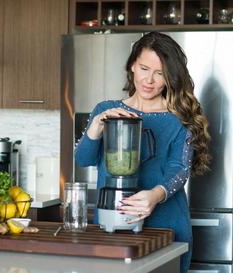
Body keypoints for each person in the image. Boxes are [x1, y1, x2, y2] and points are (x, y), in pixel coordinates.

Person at [74, 31, 211, 273]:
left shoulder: (178, 119)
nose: (150, 80)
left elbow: (179, 170)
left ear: (170, 78)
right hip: (112, 225)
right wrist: (97, 124)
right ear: (132, 67)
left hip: (166, 225)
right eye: (144, 68)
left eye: (160, 74)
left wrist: (155, 196)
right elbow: (83, 159)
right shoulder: (106, 110)